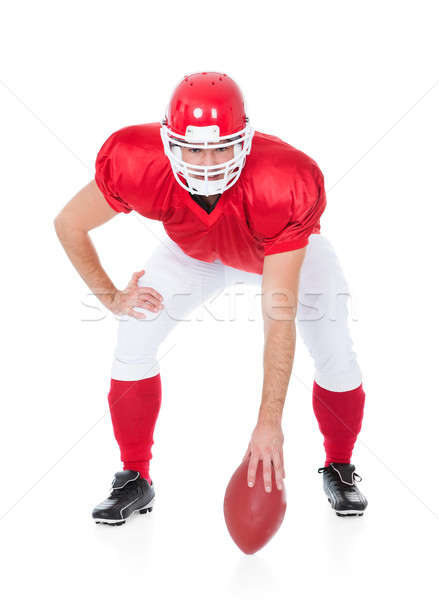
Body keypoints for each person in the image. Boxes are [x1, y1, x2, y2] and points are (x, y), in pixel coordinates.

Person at [54, 71, 367, 525]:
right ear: (168, 142)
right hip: (194, 252)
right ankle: (134, 476)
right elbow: (69, 223)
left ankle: (339, 464)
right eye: (194, 148)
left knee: (336, 351)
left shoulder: (284, 180)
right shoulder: (134, 161)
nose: (207, 162)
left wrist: (268, 423)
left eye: (221, 146)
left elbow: (278, 316)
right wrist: (112, 297)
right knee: (134, 334)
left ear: (245, 140)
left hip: (273, 251)